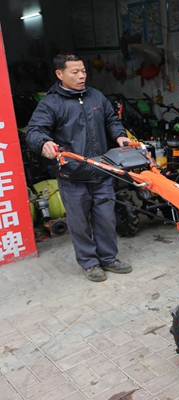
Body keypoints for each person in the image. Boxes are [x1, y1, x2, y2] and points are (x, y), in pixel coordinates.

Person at [26, 54, 132, 282]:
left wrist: (120, 136)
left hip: (102, 171)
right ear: (59, 74)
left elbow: (112, 120)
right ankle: (90, 263)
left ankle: (108, 258)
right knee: (80, 224)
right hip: (72, 176)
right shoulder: (51, 103)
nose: (82, 75)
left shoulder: (96, 96)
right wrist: (44, 143)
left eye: (83, 70)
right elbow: (34, 130)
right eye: (75, 72)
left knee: (106, 219)